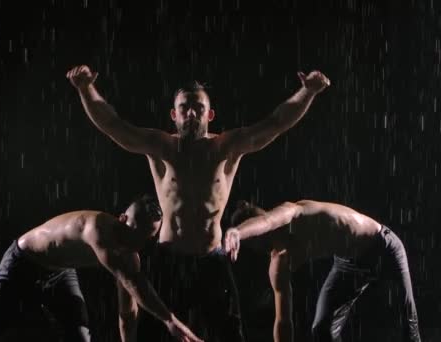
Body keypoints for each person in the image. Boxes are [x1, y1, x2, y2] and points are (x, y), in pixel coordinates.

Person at [66, 65, 330, 341]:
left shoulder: (226, 148)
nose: (191, 114)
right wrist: (86, 88)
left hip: (212, 261)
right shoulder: (161, 147)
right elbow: (113, 126)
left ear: (210, 114)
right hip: (169, 261)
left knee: (230, 336)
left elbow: (275, 123)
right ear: (174, 114)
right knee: (155, 335)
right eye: (184, 108)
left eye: (198, 108)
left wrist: (308, 91)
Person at [0, 195, 203, 342]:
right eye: (134, 232)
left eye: (145, 238)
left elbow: (127, 315)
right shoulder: (97, 229)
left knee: (80, 337)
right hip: (23, 263)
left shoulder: (129, 260)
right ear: (122, 219)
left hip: (61, 273)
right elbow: (133, 283)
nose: (136, 242)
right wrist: (169, 320)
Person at [224, 200, 421, 342]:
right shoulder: (279, 262)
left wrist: (237, 232)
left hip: (382, 246)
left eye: (256, 235)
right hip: (348, 264)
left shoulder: (291, 212)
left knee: (407, 324)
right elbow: (283, 321)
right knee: (322, 329)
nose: (262, 246)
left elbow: (268, 220)